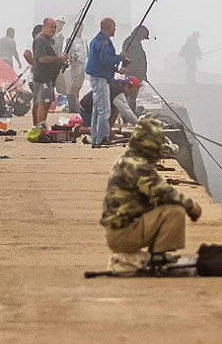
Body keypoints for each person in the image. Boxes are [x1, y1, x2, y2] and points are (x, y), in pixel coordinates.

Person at [101, 116, 202, 272]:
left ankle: (156, 255)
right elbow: (164, 192)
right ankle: (158, 259)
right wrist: (191, 206)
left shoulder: (126, 161)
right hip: (123, 235)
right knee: (174, 210)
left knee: (162, 207)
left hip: (117, 231)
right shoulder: (138, 167)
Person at [85, 17, 120, 147]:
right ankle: (102, 138)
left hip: (97, 77)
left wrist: (117, 68)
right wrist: (119, 57)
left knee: (97, 109)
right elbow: (105, 59)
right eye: (114, 27)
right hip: (100, 78)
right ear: (108, 27)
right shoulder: (103, 41)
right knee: (104, 110)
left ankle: (95, 138)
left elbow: (101, 60)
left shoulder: (97, 40)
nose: (115, 29)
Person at [30, 18, 66, 127]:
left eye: (55, 27)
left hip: (50, 77)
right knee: (42, 102)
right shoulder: (40, 40)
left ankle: (40, 125)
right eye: (51, 27)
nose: (54, 29)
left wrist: (61, 61)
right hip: (42, 77)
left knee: (46, 102)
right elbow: (41, 59)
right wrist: (58, 59)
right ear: (44, 27)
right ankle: (39, 126)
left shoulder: (50, 40)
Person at [120, 24, 149, 114]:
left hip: (135, 74)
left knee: (131, 97)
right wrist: (140, 74)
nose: (144, 39)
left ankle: (130, 114)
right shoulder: (131, 42)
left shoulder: (133, 42)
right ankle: (129, 115)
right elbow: (132, 60)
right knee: (130, 97)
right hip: (133, 74)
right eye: (144, 37)